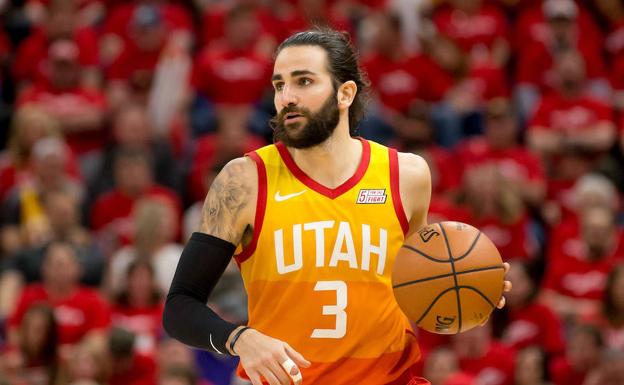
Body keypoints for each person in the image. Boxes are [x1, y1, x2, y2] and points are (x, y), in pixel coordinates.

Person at [163, 29, 510, 385]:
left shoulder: (406, 176)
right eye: (280, 85)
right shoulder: (244, 180)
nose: (287, 97)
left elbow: (419, 288)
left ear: (345, 93)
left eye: (304, 81)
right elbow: (179, 306)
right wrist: (239, 338)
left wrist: (469, 288)